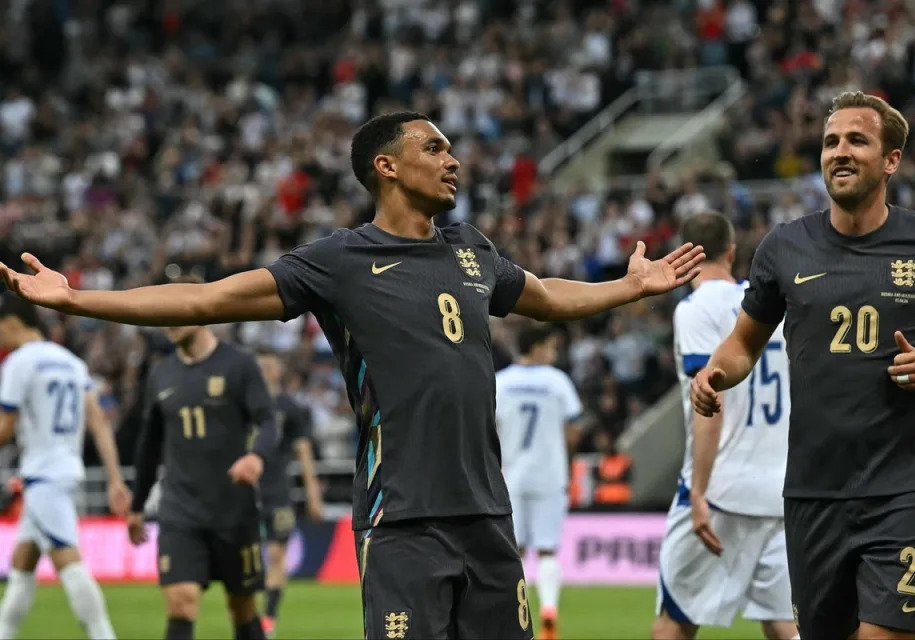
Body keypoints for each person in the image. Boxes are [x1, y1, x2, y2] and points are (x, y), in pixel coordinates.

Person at [0, 111, 704, 640]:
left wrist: (627, 287)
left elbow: (549, 297)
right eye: (434, 148)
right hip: (402, 520)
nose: (453, 160)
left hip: (489, 517)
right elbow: (207, 298)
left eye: (452, 148)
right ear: (386, 168)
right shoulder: (339, 262)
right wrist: (77, 298)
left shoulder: (472, 250)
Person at [690, 91, 915, 640]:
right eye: (831, 141)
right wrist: (714, 373)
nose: (840, 151)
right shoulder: (784, 249)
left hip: (903, 486)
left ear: (891, 160)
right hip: (813, 491)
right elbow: (742, 344)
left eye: (857, 140)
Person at [653, 212, 796, 640]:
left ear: (683, 256)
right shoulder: (771, 307)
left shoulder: (696, 309)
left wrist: (698, 491)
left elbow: (708, 400)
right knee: (784, 623)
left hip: (722, 490)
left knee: (674, 623)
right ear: (732, 253)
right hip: (781, 490)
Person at [127, 285, 279, 640]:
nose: (169, 321)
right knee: (181, 602)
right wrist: (137, 506)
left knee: (242, 608)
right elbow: (149, 446)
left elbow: (269, 421)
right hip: (180, 510)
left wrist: (256, 457)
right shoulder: (160, 375)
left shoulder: (239, 365)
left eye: (176, 310)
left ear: (201, 309)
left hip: (233, 509)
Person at [0, 292, 130, 640]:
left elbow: (5, 427)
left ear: (11, 324)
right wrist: (115, 478)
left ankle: (105, 635)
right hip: (64, 470)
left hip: (42, 475)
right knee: (22, 565)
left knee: (69, 563)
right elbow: (100, 424)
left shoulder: (18, 362)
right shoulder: (72, 363)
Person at [496, 325, 583, 640]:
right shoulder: (557, 382)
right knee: (547, 549)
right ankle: (549, 613)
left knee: (512, 550)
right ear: (536, 348)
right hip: (550, 475)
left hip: (511, 477)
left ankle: (513, 614)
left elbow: (489, 429)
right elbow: (574, 429)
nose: (554, 354)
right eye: (550, 347)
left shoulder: (501, 382)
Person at [254, 349, 324, 638]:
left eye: (271, 364)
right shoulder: (245, 403)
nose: (267, 369)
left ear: (280, 369)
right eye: (262, 365)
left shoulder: (290, 407)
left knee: (276, 554)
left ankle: (268, 617)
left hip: (277, 492)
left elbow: (303, 450)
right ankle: (248, 615)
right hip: (243, 492)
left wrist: (313, 493)